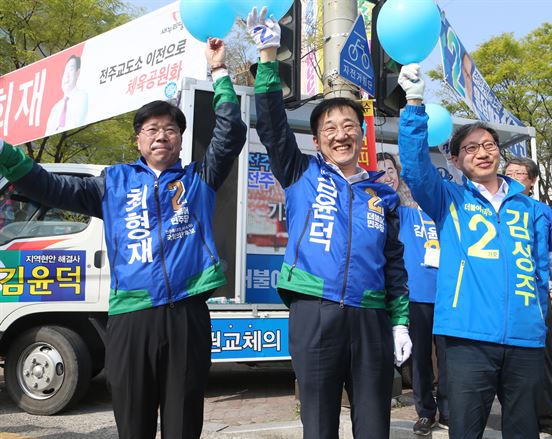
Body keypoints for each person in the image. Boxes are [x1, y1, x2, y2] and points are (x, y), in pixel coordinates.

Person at [0, 38, 247, 439]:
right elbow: (49, 187)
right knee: (133, 421)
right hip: (131, 317)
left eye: (170, 129)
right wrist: (6, 154)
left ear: (180, 140)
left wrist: (219, 71)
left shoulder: (198, 179)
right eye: (151, 129)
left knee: (184, 422)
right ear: (138, 140)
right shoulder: (112, 183)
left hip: (187, 313)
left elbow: (231, 131)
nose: (161, 135)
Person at [247, 8, 410, 439]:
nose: (341, 134)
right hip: (314, 312)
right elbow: (272, 126)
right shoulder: (300, 172)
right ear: (317, 139)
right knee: (318, 425)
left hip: (371, 315)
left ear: (361, 134)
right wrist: (266, 59)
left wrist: (399, 321)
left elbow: (395, 264)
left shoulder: (383, 193)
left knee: (374, 425)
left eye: (349, 126)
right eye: (330, 128)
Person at [397, 63, 552, 439]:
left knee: (522, 430)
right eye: (470, 148)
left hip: (525, 338)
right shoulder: (447, 199)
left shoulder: (530, 208)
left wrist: (543, 306)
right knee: (466, 429)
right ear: (455, 160)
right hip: (468, 339)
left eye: (489, 145)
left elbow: (540, 265)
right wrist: (414, 103)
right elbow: (416, 169)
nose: (482, 153)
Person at [504, 157, 552, 439]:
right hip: (497, 296)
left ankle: (548, 417)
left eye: (519, 174)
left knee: (542, 358)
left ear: (532, 181)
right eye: (508, 173)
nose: (513, 178)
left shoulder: (542, 211)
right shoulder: (493, 206)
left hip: (533, 298)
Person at [377, 152, 449, 435]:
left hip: (445, 294)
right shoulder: (397, 212)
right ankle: (425, 412)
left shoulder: (438, 212)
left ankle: (448, 409)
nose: (388, 175)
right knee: (419, 359)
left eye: (391, 169)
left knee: (448, 358)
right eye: (381, 171)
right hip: (415, 295)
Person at [45, 54, 89, 134]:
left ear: (78, 72)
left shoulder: (82, 96)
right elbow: (48, 131)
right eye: (65, 72)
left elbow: (77, 123)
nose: (66, 75)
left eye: (70, 70)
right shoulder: (55, 108)